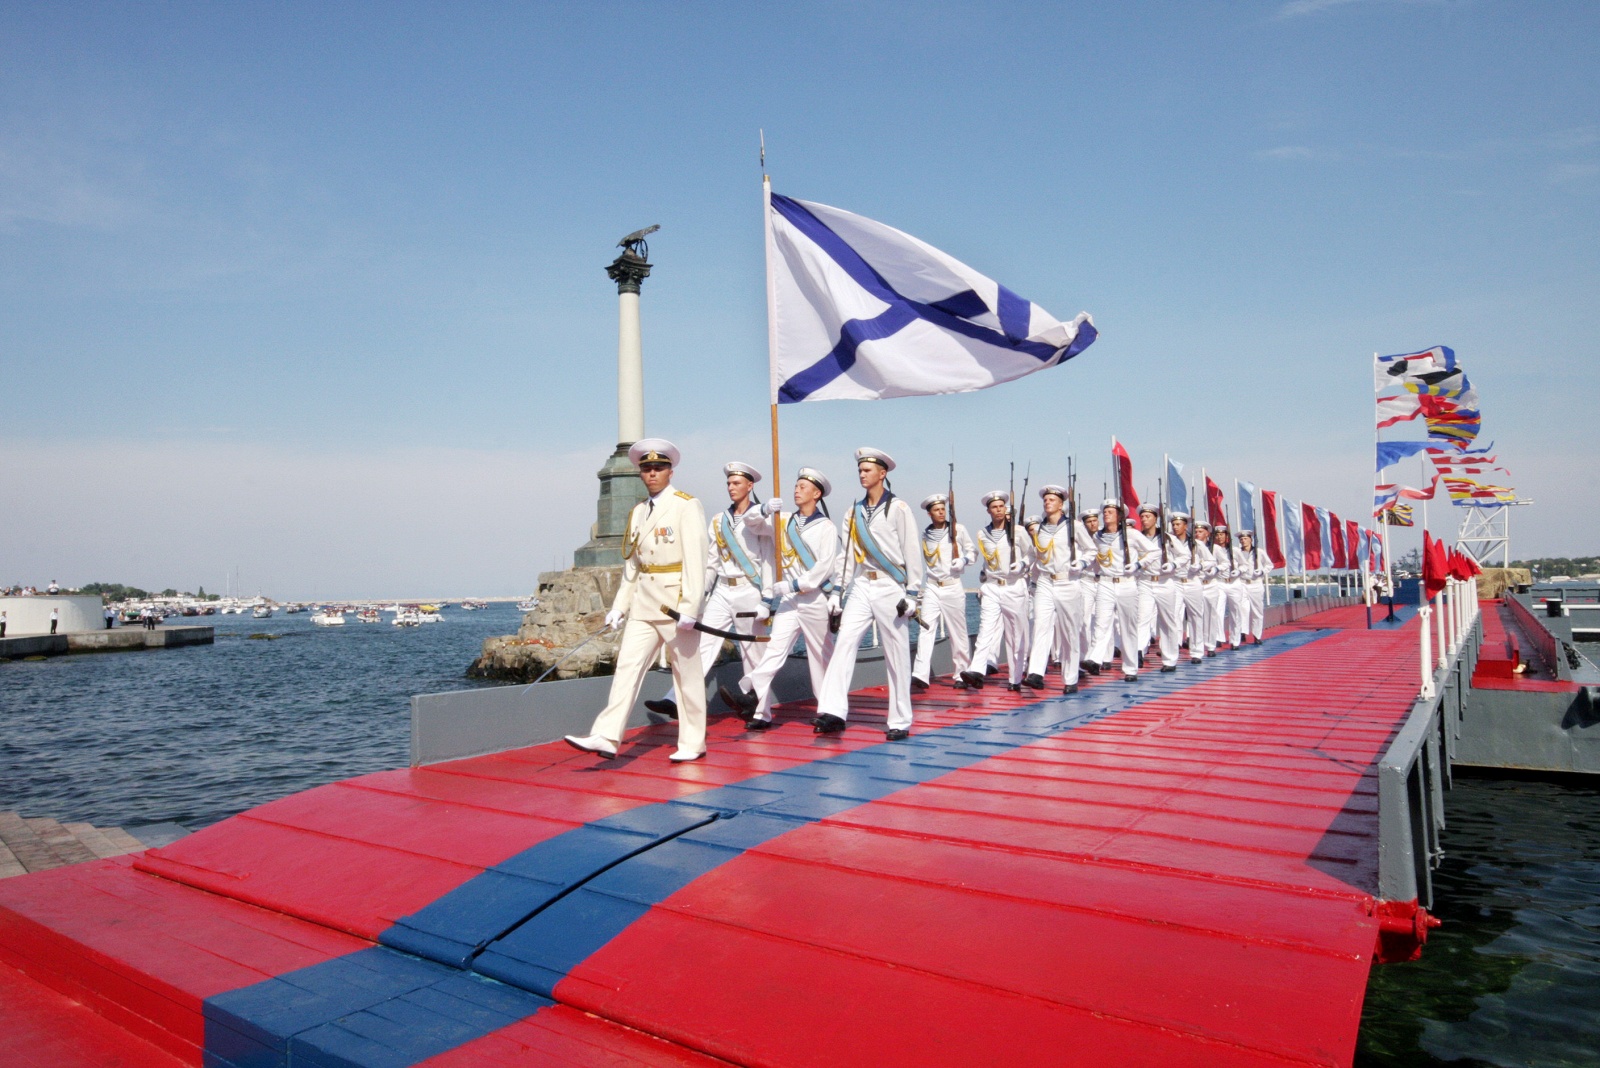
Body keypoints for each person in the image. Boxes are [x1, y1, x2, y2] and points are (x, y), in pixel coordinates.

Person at [565, 438, 711, 763]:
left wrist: (691, 607)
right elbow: (632, 568)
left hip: (675, 605)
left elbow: (696, 561)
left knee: (686, 675)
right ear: (640, 474)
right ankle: (606, 735)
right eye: (646, 469)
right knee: (627, 668)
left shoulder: (686, 505)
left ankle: (692, 742)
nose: (652, 473)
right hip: (644, 605)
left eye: (658, 467)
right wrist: (619, 607)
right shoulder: (638, 513)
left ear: (670, 471)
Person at [812, 448, 923, 740]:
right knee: (845, 642)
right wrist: (838, 590)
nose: (862, 474)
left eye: (867, 470)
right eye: (860, 470)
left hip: (890, 585)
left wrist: (913, 593)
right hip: (862, 584)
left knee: (896, 652)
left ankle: (899, 719)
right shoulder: (853, 512)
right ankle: (834, 711)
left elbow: (912, 551)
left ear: (882, 474)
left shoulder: (898, 508)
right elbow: (847, 557)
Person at [649, 461, 773, 719]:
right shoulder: (718, 521)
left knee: (753, 653)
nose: (731, 487)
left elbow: (769, 561)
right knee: (702, 647)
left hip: (749, 590)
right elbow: (711, 564)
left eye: (737, 483)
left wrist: (767, 598)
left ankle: (761, 712)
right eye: (729, 483)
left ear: (750, 486)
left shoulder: (762, 520)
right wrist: (694, 597)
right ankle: (675, 700)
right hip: (722, 591)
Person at [736, 467, 841, 729]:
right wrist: (763, 510)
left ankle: (831, 710)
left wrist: (794, 584)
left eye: (803, 487)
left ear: (816, 494)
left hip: (813, 597)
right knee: (774, 650)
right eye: (796, 485)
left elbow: (825, 567)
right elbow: (749, 522)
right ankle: (752, 697)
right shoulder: (782, 520)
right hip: (789, 600)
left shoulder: (825, 527)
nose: (796, 490)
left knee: (820, 656)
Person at [961, 491, 1033, 692]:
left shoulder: (1018, 532)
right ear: (988, 510)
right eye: (994, 507)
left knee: (1015, 634)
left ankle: (1015, 677)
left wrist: (1022, 565)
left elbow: (1031, 554)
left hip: (1013, 586)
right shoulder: (983, 534)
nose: (999, 510)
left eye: (1001, 506)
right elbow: (988, 558)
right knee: (986, 629)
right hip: (992, 586)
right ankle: (977, 669)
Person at [1022, 485, 1089, 693]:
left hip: (1067, 581)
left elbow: (1091, 549)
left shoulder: (1073, 527)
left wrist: (1082, 562)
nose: (1047, 502)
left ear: (1061, 504)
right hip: (1044, 582)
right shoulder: (1040, 528)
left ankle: (1070, 678)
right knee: (1041, 626)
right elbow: (1035, 553)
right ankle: (1035, 673)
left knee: (1070, 631)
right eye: (1046, 499)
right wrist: (1024, 563)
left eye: (1052, 500)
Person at [911, 493, 976, 691]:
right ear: (929, 513)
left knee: (958, 632)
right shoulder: (926, 535)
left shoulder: (958, 530)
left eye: (943, 509)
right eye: (936, 510)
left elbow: (972, 551)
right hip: (932, 586)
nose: (941, 513)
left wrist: (963, 560)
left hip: (952, 585)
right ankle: (920, 674)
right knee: (926, 628)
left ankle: (961, 673)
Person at [1088, 499, 1157, 681]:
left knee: (1128, 626)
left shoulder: (1131, 535)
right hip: (1105, 582)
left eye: (1110, 511)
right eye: (1105, 511)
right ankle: (1094, 659)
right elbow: (1095, 558)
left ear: (1119, 516)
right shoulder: (1098, 537)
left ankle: (1131, 668)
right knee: (1101, 623)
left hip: (1127, 583)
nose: (1106, 514)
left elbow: (1154, 551)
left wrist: (1138, 565)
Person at [1147, 509, 1188, 672]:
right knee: (1142, 618)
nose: (1143, 519)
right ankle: (1138, 653)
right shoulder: (1139, 537)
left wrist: (1173, 565)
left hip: (1168, 581)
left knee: (1169, 620)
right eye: (1142, 516)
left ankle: (1171, 657)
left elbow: (1184, 556)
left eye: (1179, 524)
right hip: (1146, 582)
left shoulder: (1168, 538)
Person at [1172, 513, 1207, 665]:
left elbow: (1211, 561)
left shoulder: (1196, 544)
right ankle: (1173, 648)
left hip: (1193, 582)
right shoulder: (1169, 543)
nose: (1175, 527)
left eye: (1178, 524)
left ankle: (1197, 651)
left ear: (1186, 526)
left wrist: (1199, 566)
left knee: (1195, 617)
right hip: (1175, 582)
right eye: (1173, 524)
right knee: (1173, 616)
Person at [1195, 522, 1224, 656]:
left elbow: (1226, 563)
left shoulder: (1215, 548)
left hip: (1211, 584)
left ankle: (1211, 645)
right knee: (1196, 616)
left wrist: (1216, 569)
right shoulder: (1192, 546)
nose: (1197, 534)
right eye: (1196, 531)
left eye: (1200, 531)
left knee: (1211, 615)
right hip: (1197, 584)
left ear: (1207, 533)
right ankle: (1197, 646)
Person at [1215, 525, 1245, 649]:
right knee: (1217, 611)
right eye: (1217, 535)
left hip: (1234, 583)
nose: (1219, 537)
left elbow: (1244, 565)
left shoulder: (1235, 550)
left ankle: (1235, 640)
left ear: (1227, 536)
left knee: (1236, 612)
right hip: (1220, 582)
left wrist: (1238, 571)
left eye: (1222, 534)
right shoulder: (1213, 549)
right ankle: (1218, 637)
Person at [1238, 529, 1270, 644]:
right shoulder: (1237, 552)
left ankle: (1257, 635)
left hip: (1255, 583)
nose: (1243, 541)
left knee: (1257, 610)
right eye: (1241, 539)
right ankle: (1242, 632)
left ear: (1251, 540)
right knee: (1242, 609)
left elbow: (1269, 565)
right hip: (1242, 583)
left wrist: (1261, 571)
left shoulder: (1259, 552)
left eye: (1245, 538)